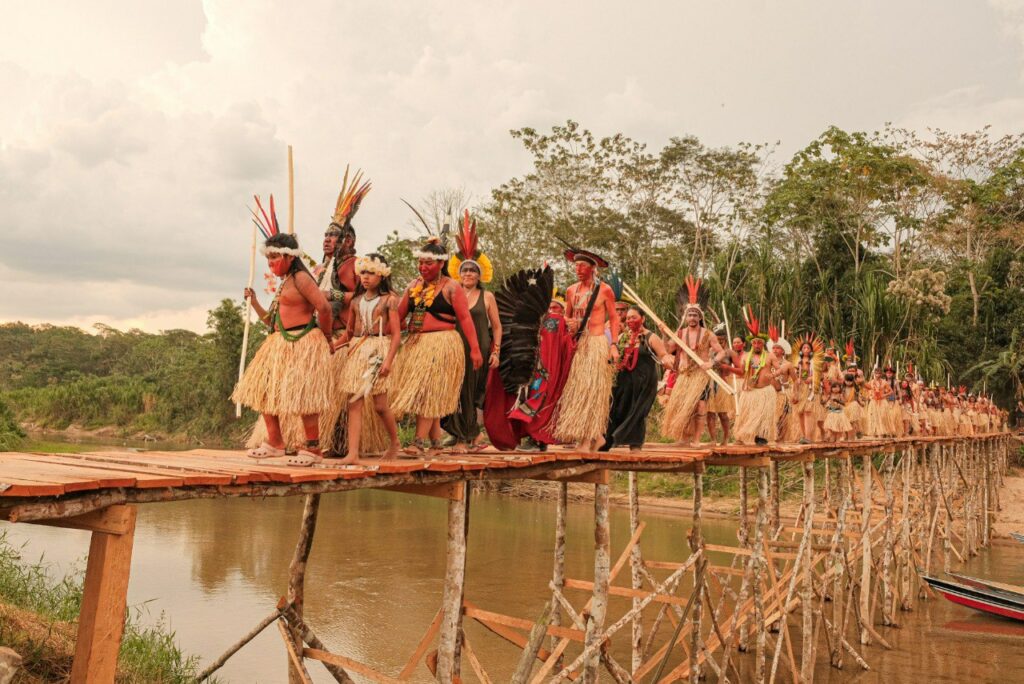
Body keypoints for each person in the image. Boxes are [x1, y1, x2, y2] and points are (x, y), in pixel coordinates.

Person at [232, 206, 335, 466]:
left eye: (275, 259)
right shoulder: (285, 282)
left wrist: (326, 338)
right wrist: (254, 302)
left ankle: (312, 448)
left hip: (302, 341)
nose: (271, 264)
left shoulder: (301, 278)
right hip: (278, 342)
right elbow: (270, 320)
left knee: (303, 396)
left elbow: (323, 307)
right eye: (269, 260)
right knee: (263, 391)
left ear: (289, 258)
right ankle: (275, 442)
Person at [392, 237, 482, 453]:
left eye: (428, 263)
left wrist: (475, 349)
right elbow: (398, 314)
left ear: (441, 264)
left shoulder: (451, 287)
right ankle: (435, 442)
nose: (423, 267)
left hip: (441, 343)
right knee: (423, 391)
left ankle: (418, 442)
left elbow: (465, 319)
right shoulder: (413, 285)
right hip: (416, 343)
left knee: (427, 390)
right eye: (421, 263)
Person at [441, 212, 502, 450]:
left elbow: (497, 327)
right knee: (453, 389)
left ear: (479, 275)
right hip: (455, 347)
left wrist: (496, 351)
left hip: (479, 348)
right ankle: (457, 432)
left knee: (470, 390)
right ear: (459, 273)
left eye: (472, 271)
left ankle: (469, 436)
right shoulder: (452, 293)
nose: (468, 274)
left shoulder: (487, 297)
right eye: (464, 271)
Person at [334, 253, 401, 462]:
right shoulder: (355, 301)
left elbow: (397, 334)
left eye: (371, 273)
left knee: (380, 406)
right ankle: (353, 453)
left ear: (381, 275)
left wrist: (388, 361)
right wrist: (332, 346)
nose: (366, 277)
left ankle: (395, 442)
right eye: (363, 273)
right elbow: (349, 333)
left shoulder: (389, 300)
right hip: (358, 349)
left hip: (377, 350)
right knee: (354, 401)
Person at [552, 245, 619, 452]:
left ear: (592, 268)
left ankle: (588, 439)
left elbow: (615, 318)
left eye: (582, 266)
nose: (578, 269)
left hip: (597, 343)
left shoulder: (604, 290)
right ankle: (593, 437)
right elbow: (568, 316)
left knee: (593, 390)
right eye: (576, 266)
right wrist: (568, 323)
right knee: (578, 390)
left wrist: (614, 345)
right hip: (578, 345)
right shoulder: (571, 290)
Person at [660, 276, 727, 446]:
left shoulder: (708, 334)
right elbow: (667, 350)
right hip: (684, 376)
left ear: (699, 317)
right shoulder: (680, 333)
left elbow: (721, 353)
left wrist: (711, 363)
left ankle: (696, 439)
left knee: (700, 407)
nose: (692, 317)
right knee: (683, 406)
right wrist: (663, 333)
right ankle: (684, 438)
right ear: (685, 316)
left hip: (700, 376)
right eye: (689, 314)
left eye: (694, 314)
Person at [602, 306, 673, 451]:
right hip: (624, 381)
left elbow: (663, 354)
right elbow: (614, 356)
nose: (630, 320)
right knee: (617, 408)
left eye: (634, 317)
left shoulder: (650, 337)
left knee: (638, 412)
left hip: (644, 382)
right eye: (628, 318)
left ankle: (635, 445)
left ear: (643, 318)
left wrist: (667, 360)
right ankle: (608, 441)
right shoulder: (623, 337)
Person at [733, 308, 781, 444]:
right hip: (750, 390)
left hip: (765, 391)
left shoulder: (770, 356)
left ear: (763, 343)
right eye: (754, 343)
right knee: (747, 414)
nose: (757, 345)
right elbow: (742, 372)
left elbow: (780, 368)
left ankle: (761, 436)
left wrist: (775, 373)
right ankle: (741, 437)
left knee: (763, 415)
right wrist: (728, 369)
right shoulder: (746, 356)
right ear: (751, 343)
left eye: (759, 342)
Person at [706, 323, 741, 445]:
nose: (720, 343)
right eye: (717, 340)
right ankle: (712, 439)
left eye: (722, 340)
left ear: (726, 340)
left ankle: (726, 438)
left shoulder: (730, 353)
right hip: (709, 384)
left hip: (723, 384)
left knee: (722, 413)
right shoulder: (709, 351)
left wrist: (726, 367)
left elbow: (741, 370)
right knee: (709, 413)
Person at [768, 324, 795, 442]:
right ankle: (771, 438)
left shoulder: (788, 364)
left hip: (783, 395)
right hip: (769, 395)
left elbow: (795, 380)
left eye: (777, 348)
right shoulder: (767, 362)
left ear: (783, 351)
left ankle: (782, 440)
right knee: (770, 418)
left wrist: (795, 393)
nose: (775, 350)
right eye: (773, 348)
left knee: (783, 419)